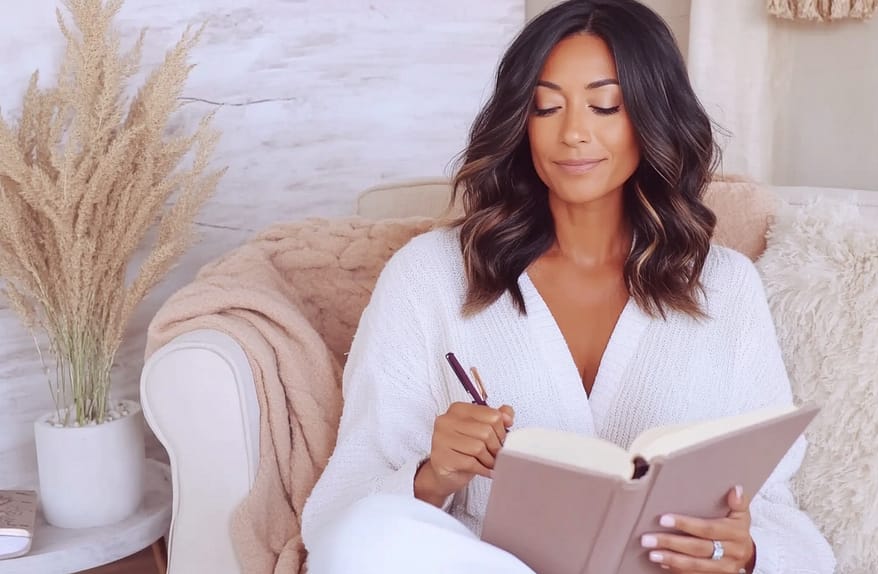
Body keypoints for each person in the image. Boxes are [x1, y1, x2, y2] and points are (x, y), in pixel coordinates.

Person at [301, 0, 836, 572]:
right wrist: (433, 477)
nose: (574, 132)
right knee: (362, 536)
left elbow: (774, 507)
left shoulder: (724, 287)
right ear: (520, 122)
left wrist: (746, 552)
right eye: (546, 107)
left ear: (652, 116)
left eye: (605, 105)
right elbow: (342, 515)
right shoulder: (429, 276)